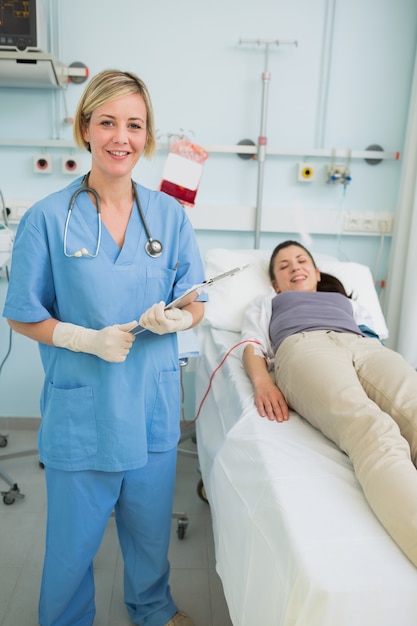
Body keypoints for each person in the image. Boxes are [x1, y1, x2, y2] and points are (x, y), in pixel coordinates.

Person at [3, 69, 206, 626]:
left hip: (152, 408)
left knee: (148, 531)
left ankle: (154, 609)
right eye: (108, 122)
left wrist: (174, 318)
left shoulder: (169, 215)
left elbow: (197, 302)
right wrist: (81, 338)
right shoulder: (47, 218)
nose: (122, 136)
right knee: (71, 548)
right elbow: (23, 312)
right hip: (84, 413)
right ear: (85, 129)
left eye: (134, 125)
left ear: (148, 136)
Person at [241, 239, 417, 568]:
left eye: (302, 261)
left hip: (364, 347)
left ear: (317, 272)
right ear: (274, 283)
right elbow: (251, 344)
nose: (295, 267)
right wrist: (263, 380)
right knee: (373, 430)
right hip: (303, 347)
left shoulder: (345, 301)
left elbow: (374, 336)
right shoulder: (267, 302)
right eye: (284, 265)